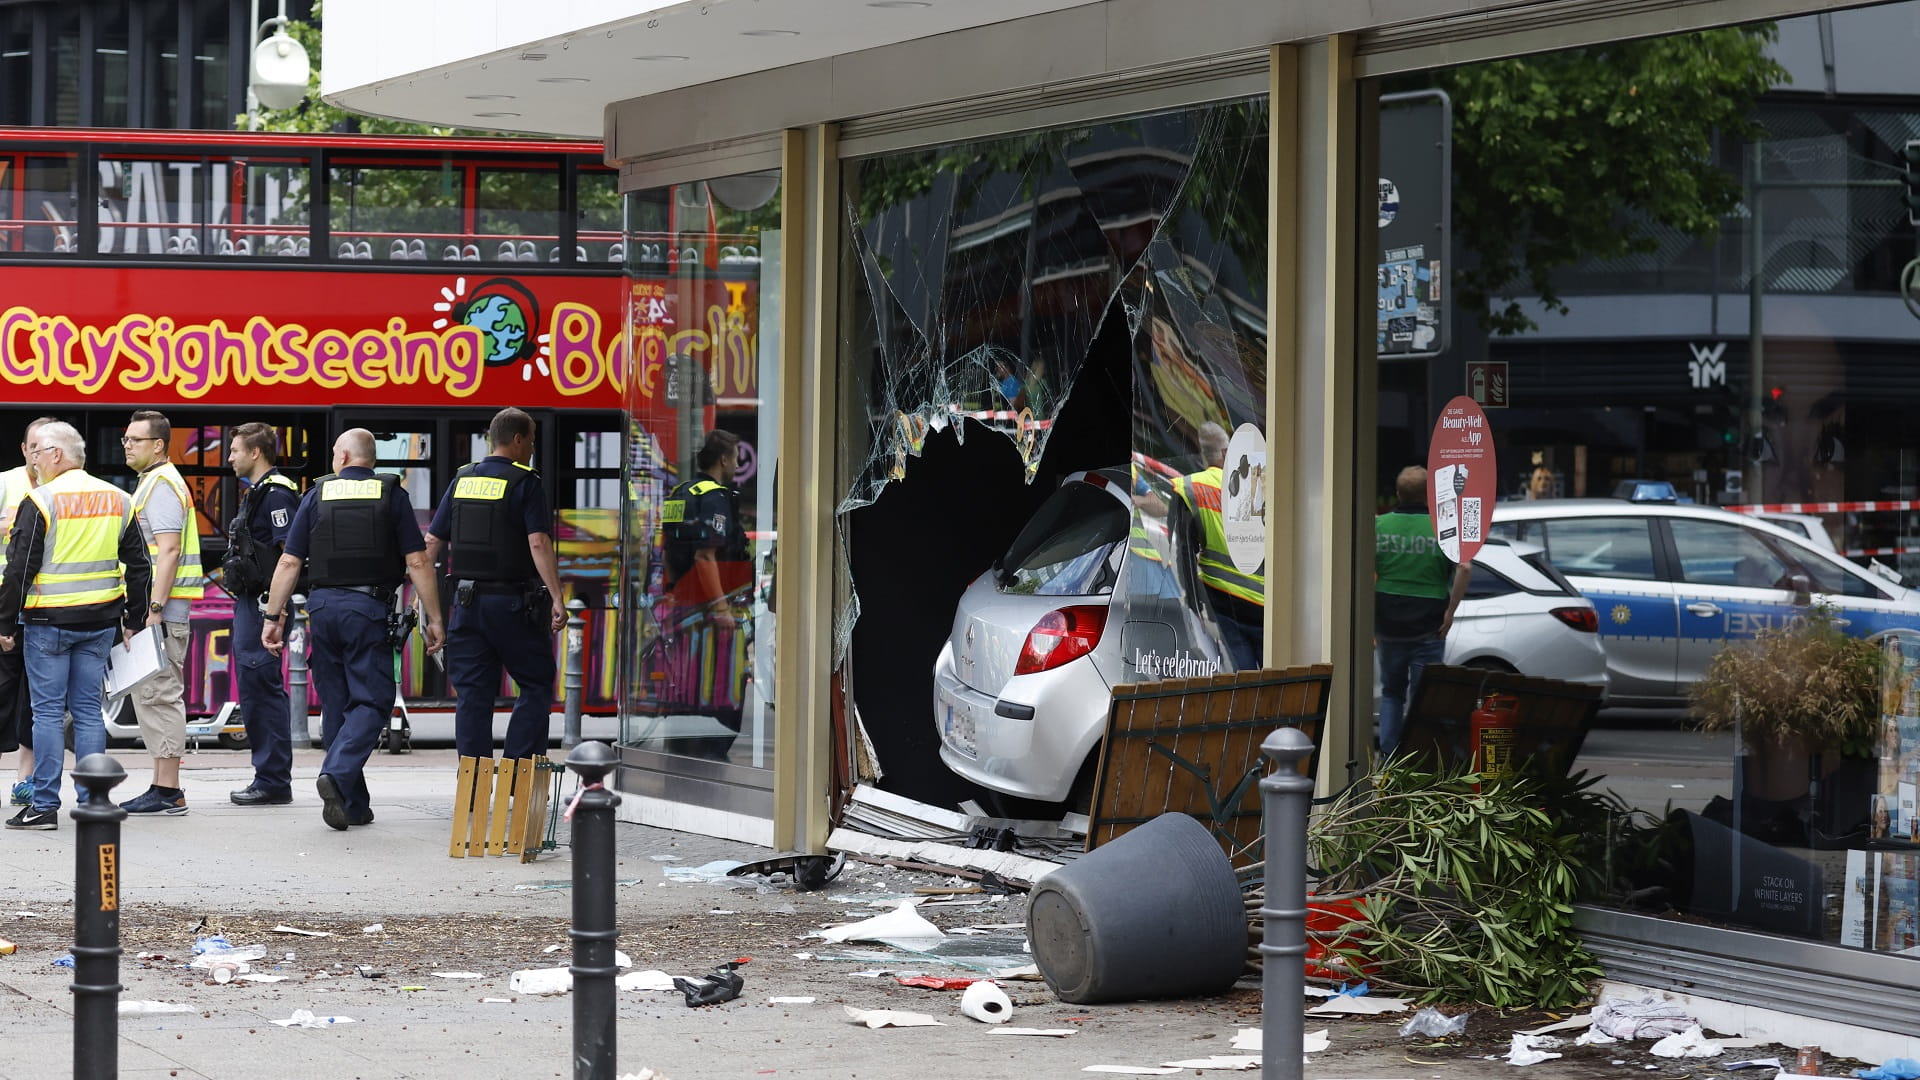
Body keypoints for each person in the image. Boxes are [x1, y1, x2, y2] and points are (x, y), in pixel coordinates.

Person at [261, 429, 444, 831]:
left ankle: (353, 804)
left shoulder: (317, 495)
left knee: (338, 704)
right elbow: (417, 561)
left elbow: (289, 563)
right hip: (367, 609)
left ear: (343, 456)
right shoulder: (391, 495)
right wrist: (434, 619)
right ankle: (337, 773)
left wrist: (273, 618)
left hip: (322, 608)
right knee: (375, 701)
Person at [0, 421, 152, 830]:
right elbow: (139, 563)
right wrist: (134, 618)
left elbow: (19, 569)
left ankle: (44, 805)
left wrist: (5, 624)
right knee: (87, 712)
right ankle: (93, 801)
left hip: (48, 622)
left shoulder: (42, 500)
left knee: (46, 714)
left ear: (57, 454)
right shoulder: (119, 499)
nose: (34, 461)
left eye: (39, 453)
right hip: (100, 621)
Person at [425, 407, 565, 764]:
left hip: (466, 605)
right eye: (531, 441)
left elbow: (431, 542)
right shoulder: (526, 482)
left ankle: (473, 784)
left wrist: (425, 603)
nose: (532, 448)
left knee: (472, 693)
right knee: (535, 682)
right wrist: (556, 597)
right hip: (512, 604)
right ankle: (518, 771)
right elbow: (538, 543)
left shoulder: (461, 480)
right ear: (517, 440)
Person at [119, 410, 204, 816]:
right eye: (126, 439)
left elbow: (168, 550)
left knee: (161, 695)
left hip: (163, 611)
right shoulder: (153, 482)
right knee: (152, 696)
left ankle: (168, 790)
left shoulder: (162, 485)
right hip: (161, 609)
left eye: (136, 439)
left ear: (158, 445)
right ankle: (162, 785)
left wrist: (152, 609)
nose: (127, 445)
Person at [654, 430, 751, 760]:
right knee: (722, 690)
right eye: (736, 456)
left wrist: (672, 593)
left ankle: (688, 752)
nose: (738, 463)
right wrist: (722, 608)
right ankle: (712, 753)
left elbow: (668, 553)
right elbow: (705, 557)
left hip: (684, 610)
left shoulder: (680, 492)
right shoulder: (715, 497)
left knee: (686, 686)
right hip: (711, 616)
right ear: (723, 459)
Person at [222, 422, 302, 806]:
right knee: (254, 690)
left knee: (262, 689)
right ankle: (268, 775)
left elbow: (289, 554)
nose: (230, 456)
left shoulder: (276, 496)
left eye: (235, 450)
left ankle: (272, 780)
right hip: (255, 603)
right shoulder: (258, 493)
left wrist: (276, 608)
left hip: (263, 605)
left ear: (256, 452)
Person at [1374, 465, 1473, 755]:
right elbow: (1465, 568)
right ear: (1430, 494)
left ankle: (1389, 762)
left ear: (1397, 495)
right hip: (1429, 623)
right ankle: (1419, 762)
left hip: (1388, 621)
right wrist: (1450, 612)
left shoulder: (1378, 526)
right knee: (1424, 697)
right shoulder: (1442, 527)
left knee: (1392, 692)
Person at [1165, 422, 1266, 671]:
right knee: (1272, 684)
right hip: (1264, 603)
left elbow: (1184, 554)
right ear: (1224, 454)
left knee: (1240, 679)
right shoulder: (1256, 487)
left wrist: (1194, 607)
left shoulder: (1189, 488)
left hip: (1221, 603)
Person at [1, 416, 55, 807]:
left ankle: (27, 778)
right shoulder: (6, 483)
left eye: (47, 446)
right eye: (33, 446)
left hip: (46, 608)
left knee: (36, 698)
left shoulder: (66, 488)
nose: (39, 453)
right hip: (5, 600)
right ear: (23, 450)